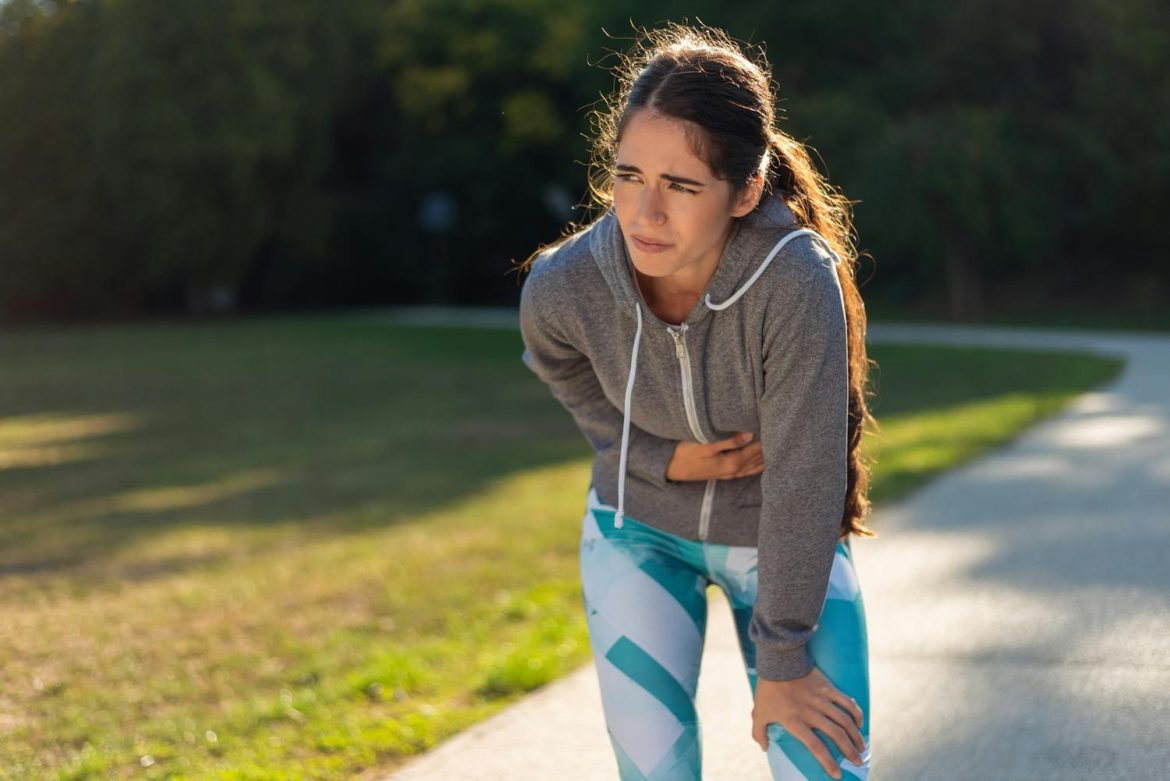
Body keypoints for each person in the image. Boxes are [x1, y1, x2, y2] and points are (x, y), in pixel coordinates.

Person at [516, 21, 878, 781]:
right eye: (629, 176)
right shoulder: (568, 283)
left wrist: (783, 658)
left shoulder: (792, 280)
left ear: (745, 189)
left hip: (776, 540)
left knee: (828, 769)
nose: (646, 214)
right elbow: (554, 360)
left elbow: (808, 477)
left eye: (681, 186)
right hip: (635, 530)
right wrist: (647, 456)